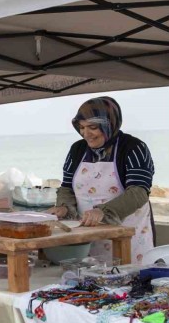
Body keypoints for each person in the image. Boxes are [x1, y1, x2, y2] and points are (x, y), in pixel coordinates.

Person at [46, 96, 155, 264]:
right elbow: (67, 187)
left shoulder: (133, 148)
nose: (85, 134)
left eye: (93, 127)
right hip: (87, 234)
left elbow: (139, 192)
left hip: (127, 235)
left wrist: (104, 211)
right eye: (81, 127)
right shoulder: (77, 149)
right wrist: (63, 207)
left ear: (109, 124)